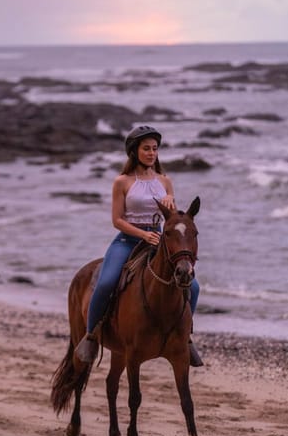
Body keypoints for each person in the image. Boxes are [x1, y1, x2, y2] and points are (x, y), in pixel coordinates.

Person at [75, 125, 202, 366]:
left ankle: (185, 337)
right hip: (127, 241)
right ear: (134, 151)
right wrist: (143, 236)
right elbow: (117, 220)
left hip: (159, 240)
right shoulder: (122, 182)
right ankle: (91, 337)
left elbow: (173, 222)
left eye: (155, 149)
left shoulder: (165, 181)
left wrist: (171, 205)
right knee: (106, 282)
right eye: (146, 149)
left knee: (193, 287)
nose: (151, 153)